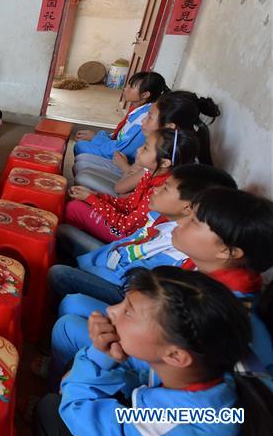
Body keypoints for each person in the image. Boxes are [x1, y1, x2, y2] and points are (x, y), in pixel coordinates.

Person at [47, 186, 273, 392]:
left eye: (195, 221)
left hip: (154, 381)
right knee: (74, 305)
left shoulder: (230, 312)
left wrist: (110, 354)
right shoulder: (209, 278)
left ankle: (60, 394)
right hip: (153, 348)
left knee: (67, 328)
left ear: (228, 251)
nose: (181, 222)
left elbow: (224, 395)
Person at [34, 267, 273, 436]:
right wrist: (101, 359)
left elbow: (77, 411)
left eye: (128, 312)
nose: (111, 311)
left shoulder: (176, 424)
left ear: (175, 356)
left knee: (50, 410)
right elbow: (142, 378)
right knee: (80, 371)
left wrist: (97, 356)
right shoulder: (207, 367)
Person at [50, 164, 238, 303]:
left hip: (119, 283)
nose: (156, 190)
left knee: (59, 274)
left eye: (165, 188)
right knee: (60, 236)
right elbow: (126, 240)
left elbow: (131, 280)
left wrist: (86, 269)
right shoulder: (161, 216)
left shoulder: (181, 246)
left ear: (188, 208)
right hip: (112, 259)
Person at [65, 128, 198, 244]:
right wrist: (95, 195)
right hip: (125, 223)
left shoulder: (159, 192)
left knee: (73, 208)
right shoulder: (151, 174)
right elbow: (128, 205)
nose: (139, 150)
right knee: (82, 202)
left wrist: (91, 199)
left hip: (129, 237)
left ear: (164, 163)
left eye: (145, 148)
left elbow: (125, 225)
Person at [76, 91, 221, 195]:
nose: (143, 122)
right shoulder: (164, 143)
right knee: (83, 163)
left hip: (133, 204)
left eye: (150, 117)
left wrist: (125, 166)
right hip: (132, 186)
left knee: (82, 174)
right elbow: (134, 173)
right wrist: (130, 168)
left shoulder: (165, 156)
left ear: (170, 127)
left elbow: (122, 187)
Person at [73, 71, 169, 163]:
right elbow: (122, 136)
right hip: (118, 147)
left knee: (81, 146)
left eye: (131, 87)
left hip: (122, 158)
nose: (125, 88)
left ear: (145, 94)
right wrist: (98, 137)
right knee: (87, 141)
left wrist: (95, 138)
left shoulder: (144, 118)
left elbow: (122, 150)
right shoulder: (138, 109)